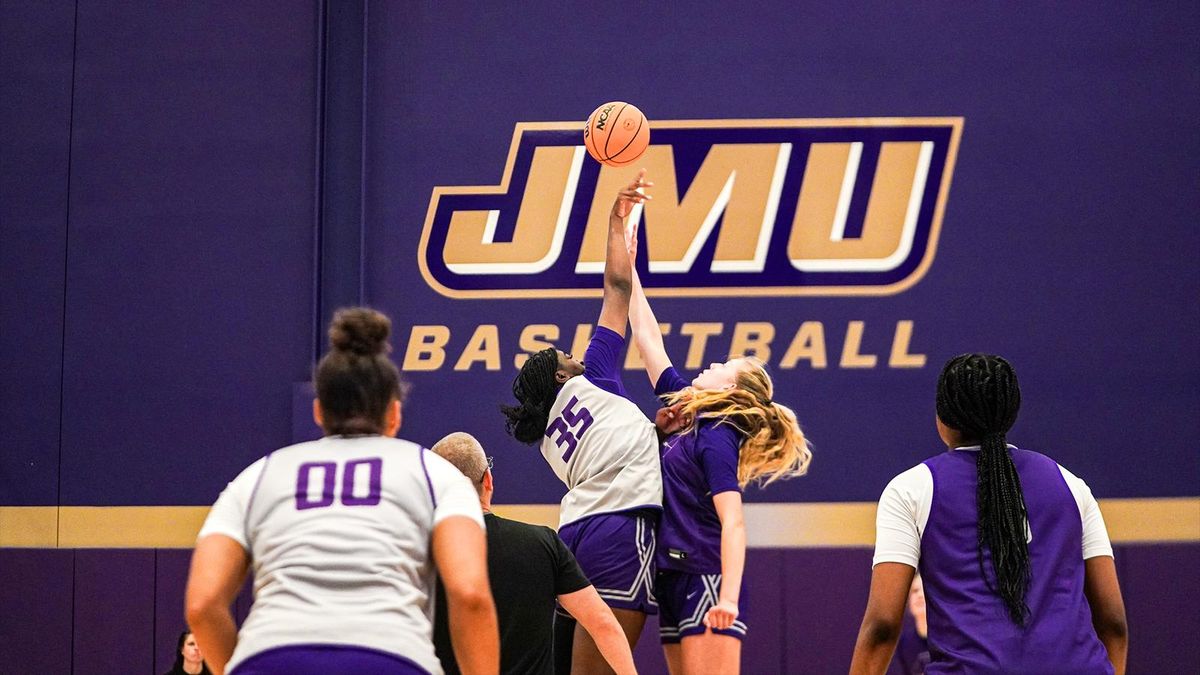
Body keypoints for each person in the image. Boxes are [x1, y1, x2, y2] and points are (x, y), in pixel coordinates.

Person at [185, 308, 499, 675]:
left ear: (319, 411)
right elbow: (470, 595)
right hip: (391, 657)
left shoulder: (258, 475)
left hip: (270, 655)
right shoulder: (437, 475)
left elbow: (202, 604)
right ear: (394, 414)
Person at [850, 354, 1128, 675]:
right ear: (1011, 413)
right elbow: (1113, 621)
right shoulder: (1071, 484)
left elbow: (883, 626)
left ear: (942, 418)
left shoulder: (912, 489)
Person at [624, 226, 812, 675]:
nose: (710, 364)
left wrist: (728, 595)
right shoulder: (689, 410)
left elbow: (734, 521)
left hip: (706, 577)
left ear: (730, 387)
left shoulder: (718, 434)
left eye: (723, 366)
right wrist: (627, 268)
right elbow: (649, 340)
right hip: (673, 575)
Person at [501, 172, 661, 672]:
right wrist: (616, 221)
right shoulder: (592, 378)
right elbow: (617, 287)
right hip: (619, 525)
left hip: (572, 533)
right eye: (566, 356)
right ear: (560, 376)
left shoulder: (551, 436)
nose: (575, 355)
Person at [429, 432, 637, 675]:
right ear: (488, 480)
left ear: (433, 489)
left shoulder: (420, 555)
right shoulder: (543, 543)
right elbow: (603, 623)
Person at [886, 575, 929, 675]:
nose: (920, 595)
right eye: (915, 591)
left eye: (924, 590)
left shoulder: (947, 638)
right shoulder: (904, 642)